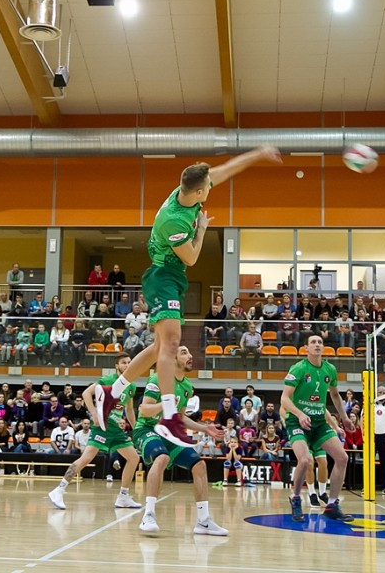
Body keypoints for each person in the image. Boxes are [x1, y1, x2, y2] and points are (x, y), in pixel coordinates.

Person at [95, 146, 282, 447]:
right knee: (170, 344)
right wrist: (203, 229)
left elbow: (227, 169)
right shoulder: (175, 221)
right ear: (198, 192)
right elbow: (193, 257)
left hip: (171, 277)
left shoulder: (189, 190)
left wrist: (259, 153)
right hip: (163, 276)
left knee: (158, 349)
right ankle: (169, 416)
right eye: (208, 185)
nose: (212, 186)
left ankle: (113, 391)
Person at [135, 346, 228, 535]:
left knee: (199, 465)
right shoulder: (157, 379)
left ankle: (203, 521)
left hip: (168, 434)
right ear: (173, 358)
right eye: (184, 352)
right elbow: (144, 410)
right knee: (162, 458)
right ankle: (149, 515)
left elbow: (181, 417)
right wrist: (165, 404)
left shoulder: (186, 386)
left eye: (190, 352)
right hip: (146, 429)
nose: (190, 355)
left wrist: (204, 428)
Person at [48, 354, 142, 510]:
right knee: (86, 459)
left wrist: (136, 429)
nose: (128, 365)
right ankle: (59, 490)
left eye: (130, 362)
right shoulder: (107, 381)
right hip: (102, 428)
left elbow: (130, 409)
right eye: (124, 362)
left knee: (133, 458)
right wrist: (94, 414)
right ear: (117, 366)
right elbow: (86, 394)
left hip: (116, 431)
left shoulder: (131, 386)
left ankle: (123, 497)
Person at [282, 334, 354, 523]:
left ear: (323, 348)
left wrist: (344, 418)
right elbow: (284, 398)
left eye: (320, 342)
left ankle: (331, 505)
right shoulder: (298, 369)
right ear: (306, 348)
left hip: (319, 423)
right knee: (305, 460)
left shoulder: (329, 369)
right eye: (313, 342)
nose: (317, 345)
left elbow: (336, 396)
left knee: (342, 457)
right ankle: (296, 499)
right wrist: (299, 414)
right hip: (297, 422)